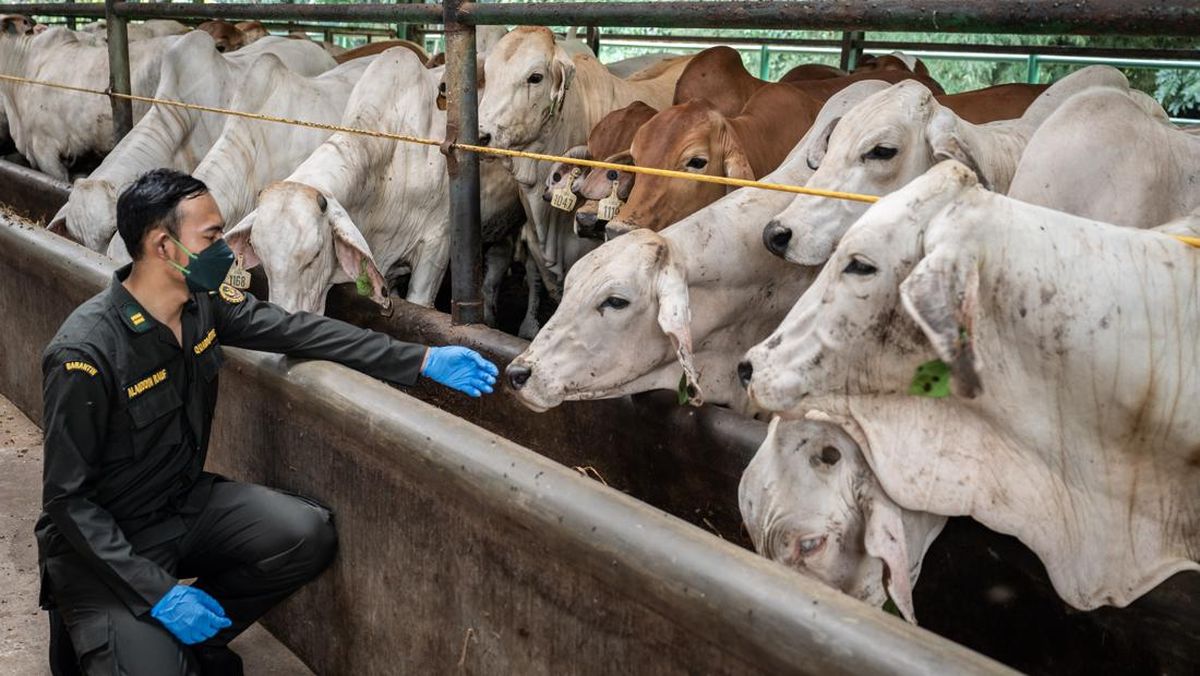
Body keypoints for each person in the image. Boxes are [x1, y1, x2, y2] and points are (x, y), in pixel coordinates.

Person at [37, 169, 499, 676]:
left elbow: (298, 331)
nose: (224, 249)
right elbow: (68, 501)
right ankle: (132, 636)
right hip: (104, 551)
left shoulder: (201, 306)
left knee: (304, 533)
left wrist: (418, 360)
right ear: (164, 247)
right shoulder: (85, 352)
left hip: (177, 507)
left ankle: (190, 641)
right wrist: (160, 593)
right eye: (212, 237)